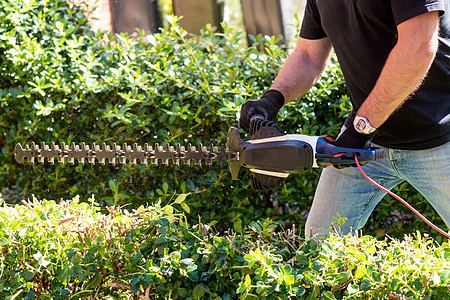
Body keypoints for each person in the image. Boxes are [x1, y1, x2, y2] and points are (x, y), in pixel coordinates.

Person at [240, 0, 450, 238]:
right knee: (321, 243)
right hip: (366, 140)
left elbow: (418, 48)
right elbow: (309, 55)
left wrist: (360, 129)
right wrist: (272, 99)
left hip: (440, 137)